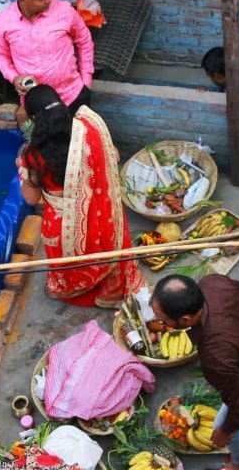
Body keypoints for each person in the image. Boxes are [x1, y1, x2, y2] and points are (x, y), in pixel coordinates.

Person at [17, 85, 144, 307]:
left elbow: (29, 198)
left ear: (35, 118)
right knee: (101, 242)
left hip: (64, 225)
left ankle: (71, 288)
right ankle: (108, 282)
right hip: (101, 214)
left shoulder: (34, 155)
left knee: (71, 260)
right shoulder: (89, 127)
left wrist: (22, 172)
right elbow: (113, 156)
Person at [151, 274, 239, 470]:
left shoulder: (215, 356)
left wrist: (225, 431)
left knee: (222, 421)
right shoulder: (213, 282)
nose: (161, 325)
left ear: (186, 319)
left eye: (164, 321)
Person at [0, 0, 95, 113]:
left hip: (73, 95)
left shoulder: (65, 11)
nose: (48, 0)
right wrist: (14, 78)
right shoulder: (3, 22)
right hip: (37, 103)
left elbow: (84, 40)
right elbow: (1, 55)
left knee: (81, 135)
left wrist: (86, 80)